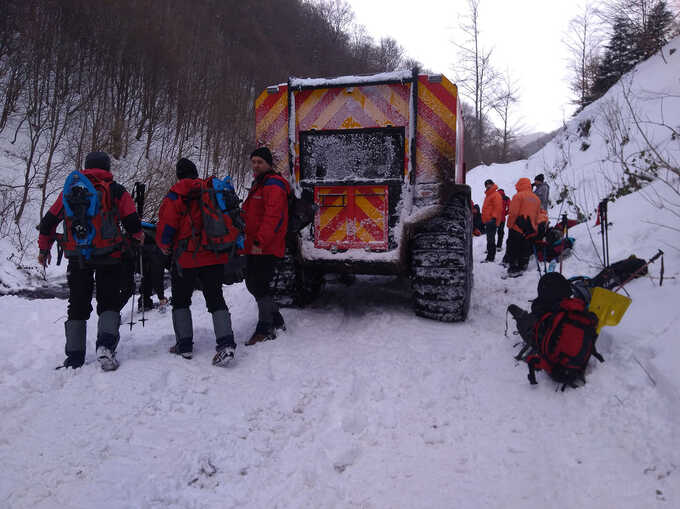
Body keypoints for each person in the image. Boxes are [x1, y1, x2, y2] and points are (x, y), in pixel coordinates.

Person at [38, 151, 142, 371]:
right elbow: (132, 223)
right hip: (110, 255)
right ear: (107, 167)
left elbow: (48, 223)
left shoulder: (70, 191)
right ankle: (105, 346)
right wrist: (135, 240)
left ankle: (74, 357)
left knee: (77, 303)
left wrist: (43, 249)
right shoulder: (116, 190)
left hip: (77, 256)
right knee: (108, 301)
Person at [156, 158, 236, 366]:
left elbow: (167, 224)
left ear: (179, 175)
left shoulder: (176, 194)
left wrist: (164, 245)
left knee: (181, 300)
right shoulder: (210, 190)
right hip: (212, 254)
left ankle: (184, 345)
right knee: (216, 298)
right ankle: (226, 343)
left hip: (185, 258)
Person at [242, 147, 290, 345]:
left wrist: (260, 241)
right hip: (255, 244)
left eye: (260, 162)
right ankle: (276, 319)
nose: (256, 165)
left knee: (258, 284)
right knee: (253, 283)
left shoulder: (274, 185)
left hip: (266, 246)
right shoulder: (259, 184)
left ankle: (265, 328)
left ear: (269, 164)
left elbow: (273, 217)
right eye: (253, 162)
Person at [506, 177, 540, 277]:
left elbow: (513, 213)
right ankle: (523, 265)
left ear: (520, 185)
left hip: (517, 228)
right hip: (530, 230)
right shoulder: (536, 199)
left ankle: (513, 268)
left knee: (513, 247)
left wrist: (510, 225)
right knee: (525, 248)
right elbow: (537, 215)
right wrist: (534, 228)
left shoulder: (518, 196)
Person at [481, 179, 503, 262]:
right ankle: (490, 256)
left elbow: (498, 208)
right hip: (488, 221)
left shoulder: (495, 195)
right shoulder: (489, 195)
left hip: (492, 221)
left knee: (491, 239)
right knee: (489, 239)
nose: (487, 186)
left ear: (492, 184)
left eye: (488, 184)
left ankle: (490, 257)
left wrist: (494, 218)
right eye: (486, 185)